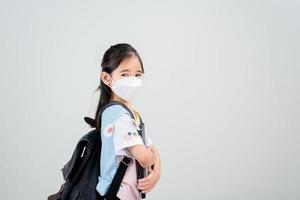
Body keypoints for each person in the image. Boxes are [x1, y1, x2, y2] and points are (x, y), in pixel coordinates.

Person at [94, 43, 161, 200]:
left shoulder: (129, 113)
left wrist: (157, 172)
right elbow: (145, 158)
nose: (132, 80)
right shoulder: (116, 115)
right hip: (116, 195)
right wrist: (153, 159)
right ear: (106, 78)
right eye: (125, 74)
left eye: (138, 75)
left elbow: (151, 147)